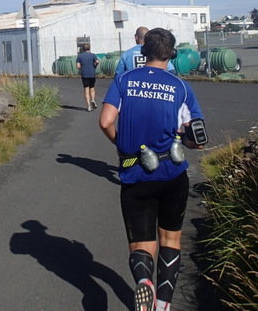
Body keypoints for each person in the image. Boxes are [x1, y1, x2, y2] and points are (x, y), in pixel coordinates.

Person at [98, 28, 206, 311]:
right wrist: (192, 143)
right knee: (170, 239)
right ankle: (163, 303)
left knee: (141, 245)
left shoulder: (123, 80)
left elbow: (106, 121)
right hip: (172, 174)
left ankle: (144, 280)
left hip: (136, 176)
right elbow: (195, 136)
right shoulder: (180, 87)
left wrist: (121, 145)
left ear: (142, 51)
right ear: (171, 54)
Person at [75, 42, 100, 111]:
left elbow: (77, 66)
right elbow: (97, 62)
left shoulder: (80, 56)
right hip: (92, 74)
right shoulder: (93, 55)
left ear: (83, 49)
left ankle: (88, 106)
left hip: (84, 74)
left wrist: (81, 68)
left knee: (86, 89)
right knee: (92, 88)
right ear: (89, 48)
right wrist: (95, 66)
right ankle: (93, 100)